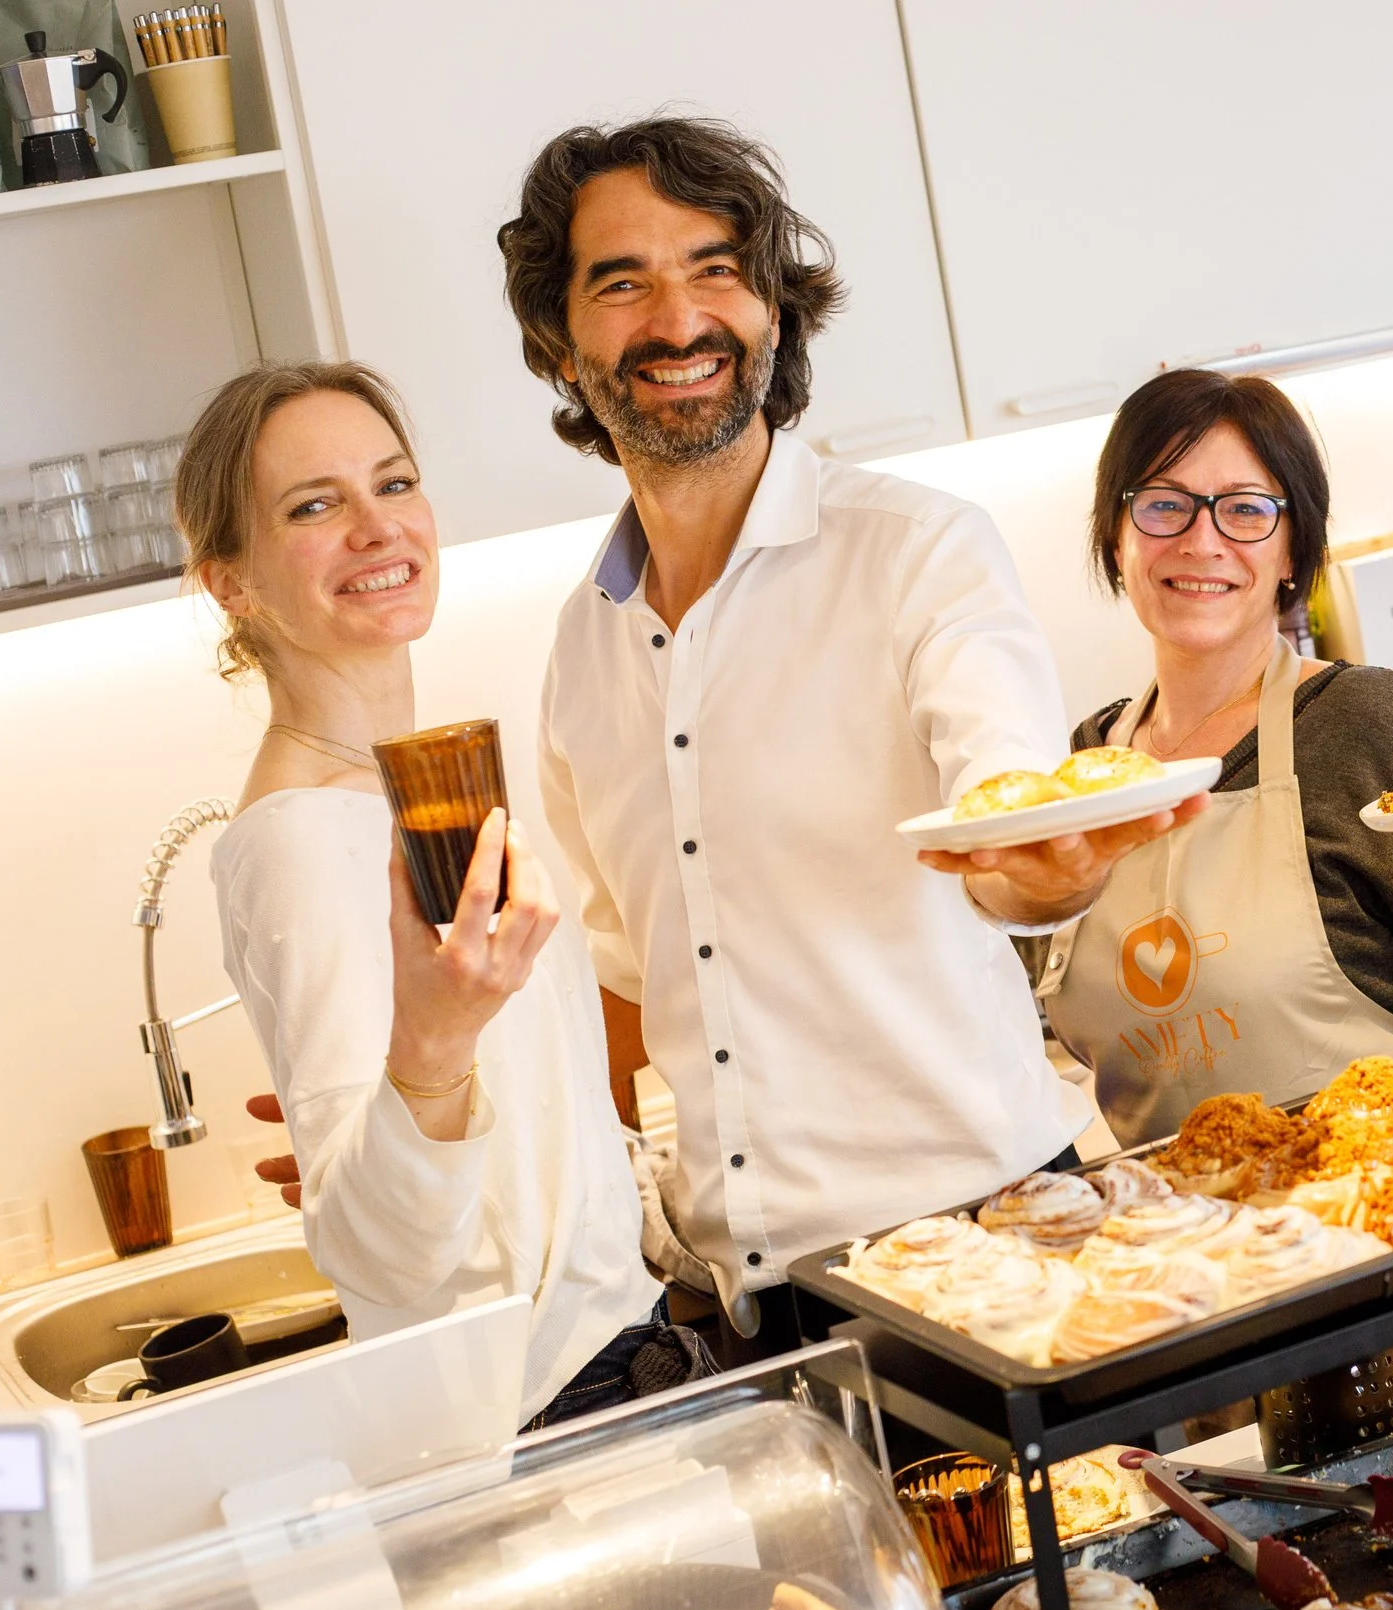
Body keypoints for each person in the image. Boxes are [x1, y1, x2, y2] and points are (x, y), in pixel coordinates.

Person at [497, 117, 1195, 1355]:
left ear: (772, 308)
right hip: (752, 1308)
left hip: (996, 1250)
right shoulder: (579, 653)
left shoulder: (917, 550)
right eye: (622, 281)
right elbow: (620, 974)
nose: (677, 320)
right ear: (562, 343)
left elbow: (1006, 797)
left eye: (716, 268)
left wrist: (1040, 863)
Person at [188, 362, 685, 1430]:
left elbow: (489, 1123)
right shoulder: (299, 836)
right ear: (229, 580)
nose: (378, 527)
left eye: (394, 482)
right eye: (314, 504)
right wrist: (431, 1045)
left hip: (609, 1363)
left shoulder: (405, 787)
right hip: (551, 1413)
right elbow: (382, 1250)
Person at [1021, 369, 1393, 1143]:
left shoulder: (1361, 720)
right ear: (1117, 534)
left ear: (1293, 548)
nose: (1201, 541)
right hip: (1180, 1244)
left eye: (1244, 510)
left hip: (1386, 1218)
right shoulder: (1084, 769)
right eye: (1165, 504)